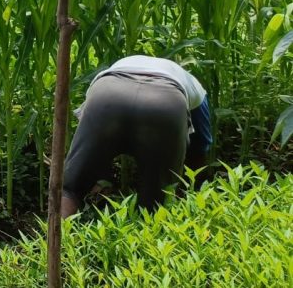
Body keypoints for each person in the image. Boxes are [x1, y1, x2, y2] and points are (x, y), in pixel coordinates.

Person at [61, 55, 213, 217]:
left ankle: (54, 236)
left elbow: (92, 141)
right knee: (157, 200)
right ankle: (151, 230)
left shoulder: (120, 65)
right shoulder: (195, 87)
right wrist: (188, 190)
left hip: (107, 92)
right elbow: (200, 147)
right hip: (165, 103)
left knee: (71, 189)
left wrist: (96, 176)